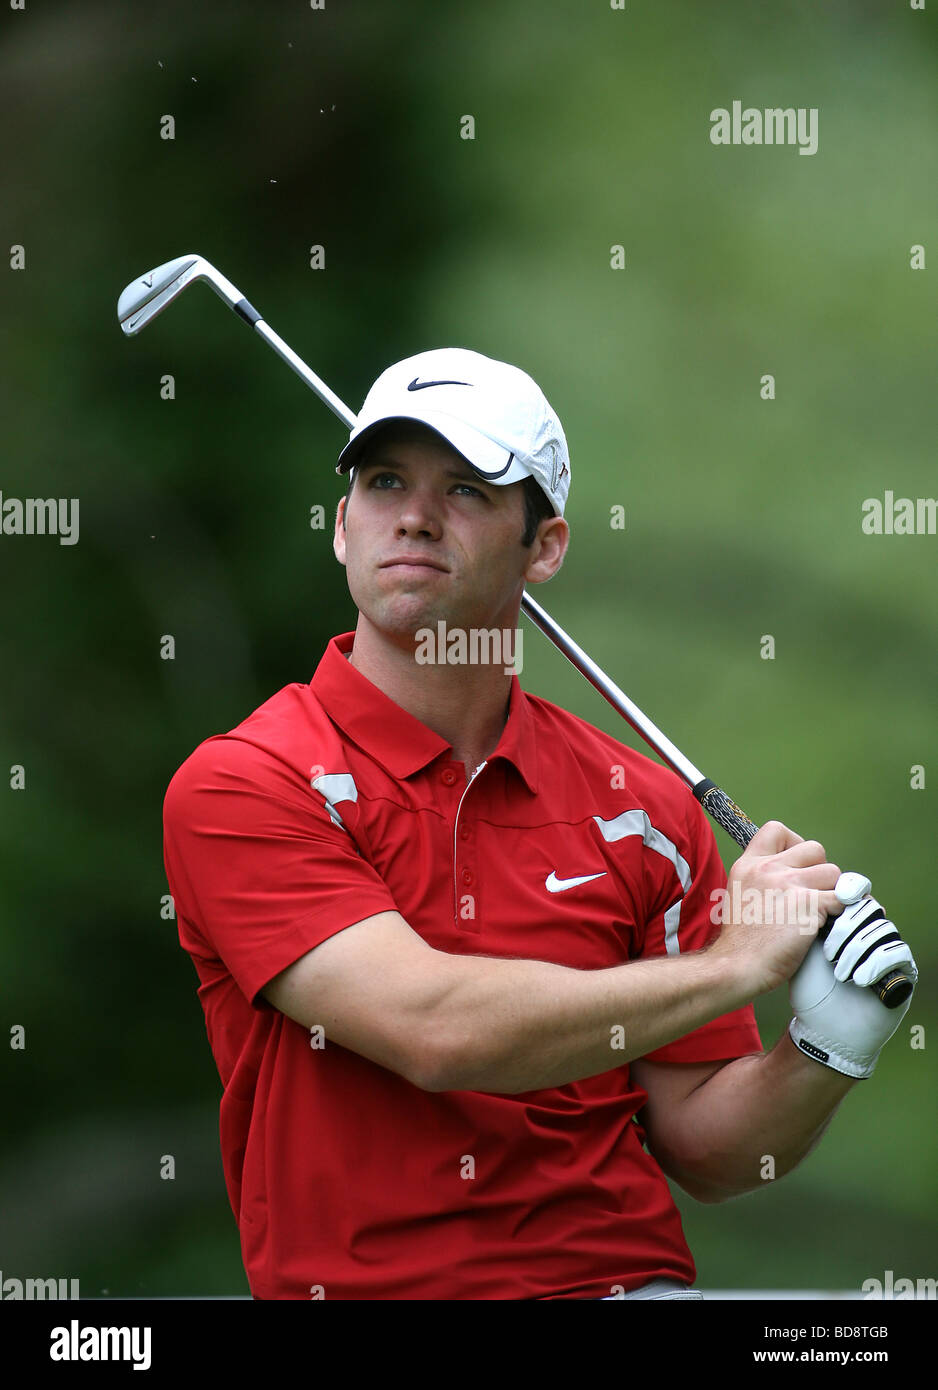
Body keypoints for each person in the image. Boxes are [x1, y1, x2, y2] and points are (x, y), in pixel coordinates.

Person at [162, 347, 917, 1301]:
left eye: (468, 491)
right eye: (385, 481)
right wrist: (734, 963)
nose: (416, 516)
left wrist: (829, 1043)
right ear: (344, 526)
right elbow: (429, 1028)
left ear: (545, 546)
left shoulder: (642, 809)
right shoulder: (248, 781)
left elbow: (712, 1152)